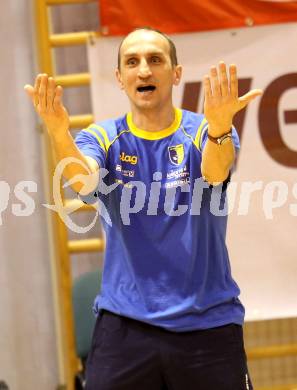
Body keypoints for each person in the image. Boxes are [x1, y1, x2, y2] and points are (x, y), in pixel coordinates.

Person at [25, 27, 262, 390]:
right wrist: (60, 133)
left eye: (155, 60)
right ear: (120, 78)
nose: (144, 70)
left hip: (207, 325)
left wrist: (218, 126)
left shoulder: (204, 131)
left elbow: (215, 172)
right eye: (132, 62)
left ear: (176, 73)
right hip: (125, 327)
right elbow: (83, 183)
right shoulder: (102, 137)